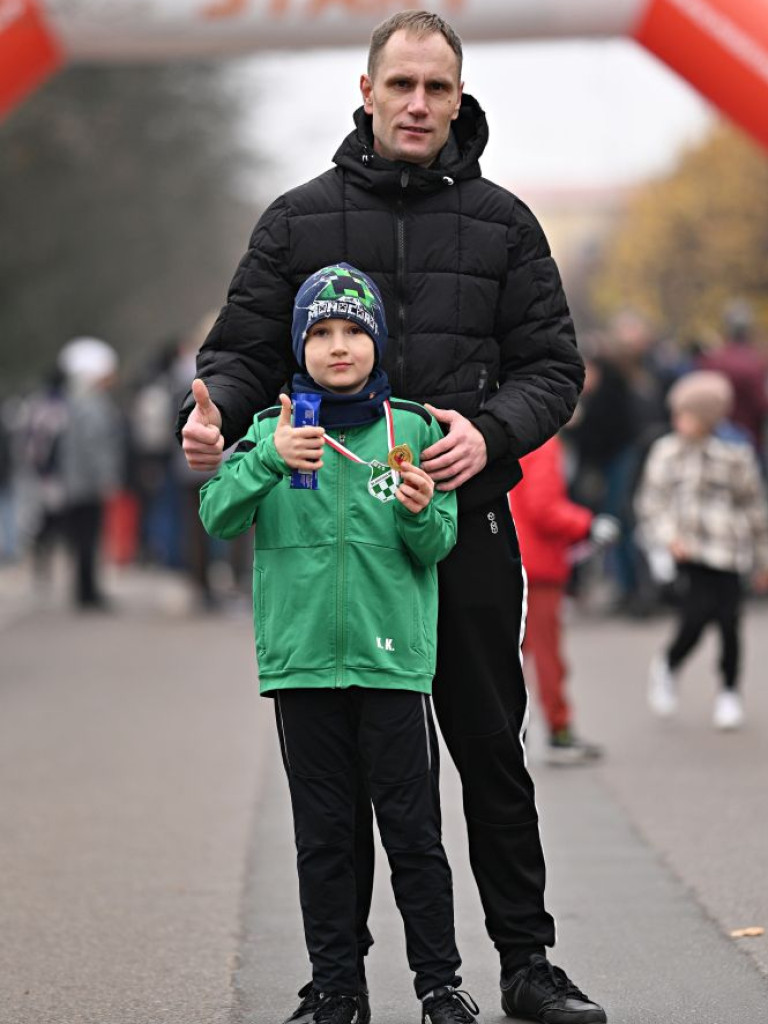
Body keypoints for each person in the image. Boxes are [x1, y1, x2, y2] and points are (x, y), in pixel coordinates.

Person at [178, 12, 605, 1024]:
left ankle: (524, 962)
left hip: (458, 522)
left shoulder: (504, 223)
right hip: (333, 538)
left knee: (490, 747)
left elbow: (556, 369)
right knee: (338, 788)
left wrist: (491, 434)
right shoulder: (295, 220)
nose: (419, 104)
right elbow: (239, 351)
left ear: (460, 101)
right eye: (402, 85)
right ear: (365, 94)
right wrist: (211, 416)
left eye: (438, 89)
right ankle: (337, 986)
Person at [199, 264, 481, 1024]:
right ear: (302, 345)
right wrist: (265, 460)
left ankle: (439, 985)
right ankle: (337, 988)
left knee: (413, 835)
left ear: (377, 341)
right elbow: (217, 515)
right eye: (320, 333)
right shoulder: (272, 429)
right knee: (324, 839)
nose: (338, 345)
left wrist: (424, 510)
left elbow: (436, 545)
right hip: (301, 668)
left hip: (392, 666)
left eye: (353, 330)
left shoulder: (414, 430)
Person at [635, 370, 768, 729]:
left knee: (729, 622)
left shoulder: (734, 455)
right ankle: (668, 664)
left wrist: (762, 557)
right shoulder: (666, 452)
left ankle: (729, 691)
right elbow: (652, 502)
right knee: (695, 617)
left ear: (707, 418)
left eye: (686, 414)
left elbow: (754, 507)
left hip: (729, 550)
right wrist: (668, 537)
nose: (678, 421)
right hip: (689, 551)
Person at [508, 435, 618, 764]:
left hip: (516, 558)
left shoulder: (513, 435)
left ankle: (510, 734)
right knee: (547, 657)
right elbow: (544, 508)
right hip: (538, 564)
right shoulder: (542, 442)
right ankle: (559, 731)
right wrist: (587, 524)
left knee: (513, 655)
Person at [58, 337, 124, 610]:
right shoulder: (92, 405)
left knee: (84, 538)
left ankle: (85, 590)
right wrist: (107, 478)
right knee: (88, 538)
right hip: (87, 484)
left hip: (77, 482)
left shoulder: (75, 402)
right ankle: (88, 592)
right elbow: (97, 446)